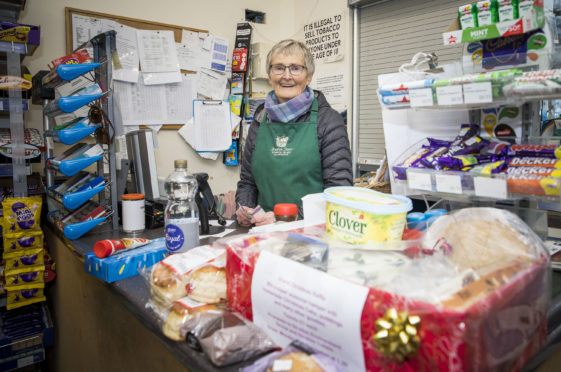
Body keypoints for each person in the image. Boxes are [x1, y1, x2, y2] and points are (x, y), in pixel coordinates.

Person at [235, 39, 352, 227]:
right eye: (279, 68)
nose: (286, 76)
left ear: (309, 76)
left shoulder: (328, 121)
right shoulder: (260, 119)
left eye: (296, 68)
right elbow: (248, 182)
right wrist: (245, 208)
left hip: (312, 232)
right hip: (263, 231)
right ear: (270, 74)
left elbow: (340, 191)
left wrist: (285, 218)